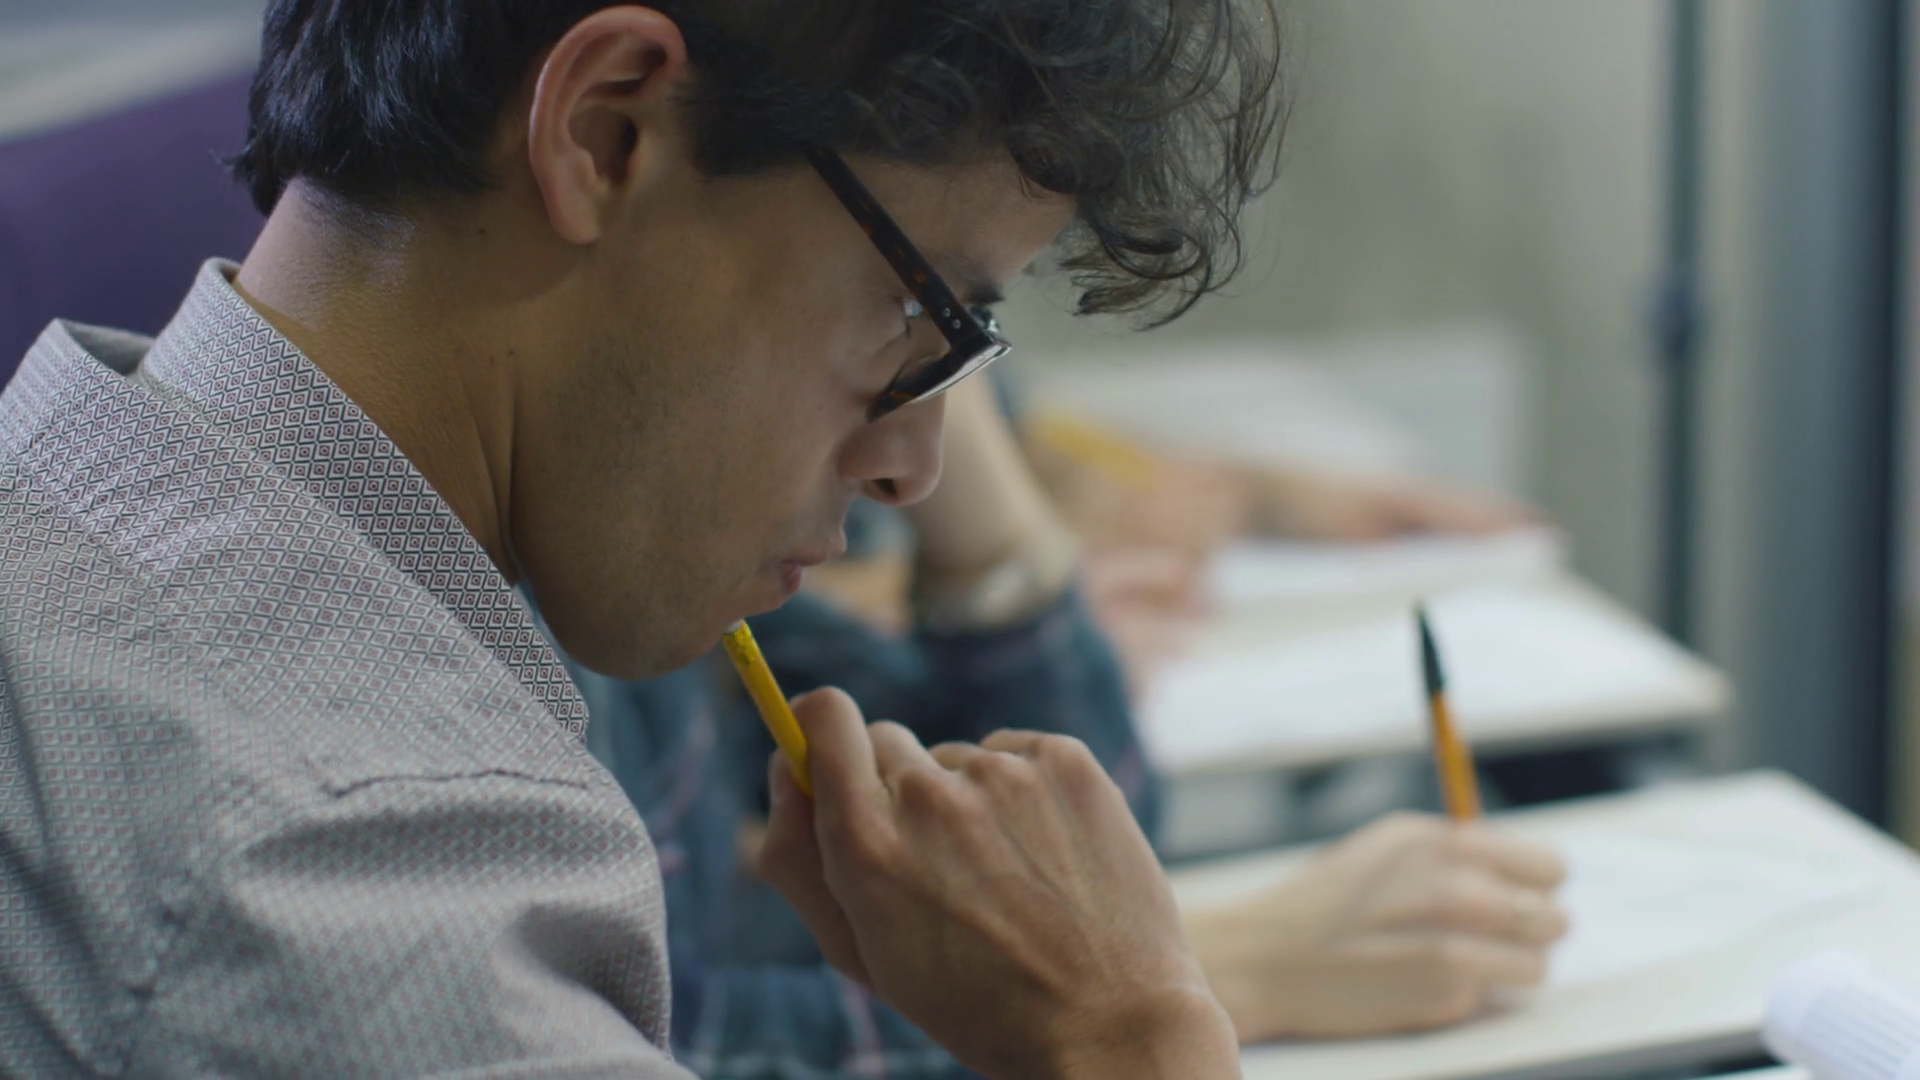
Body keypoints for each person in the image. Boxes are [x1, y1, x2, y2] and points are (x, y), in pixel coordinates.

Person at [0, 0, 1289, 1075]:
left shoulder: (94, 491)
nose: (915, 466)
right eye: (920, 312)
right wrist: (1125, 1035)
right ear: (605, 133)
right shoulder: (354, 867)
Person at [576, 376, 1569, 1076]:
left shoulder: (694, 548)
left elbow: (1068, 819)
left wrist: (997, 528)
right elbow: (653, 1044)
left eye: (969, 341)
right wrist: (1160, 989)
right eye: (898, 317)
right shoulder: (562, 591)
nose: (914, 465)